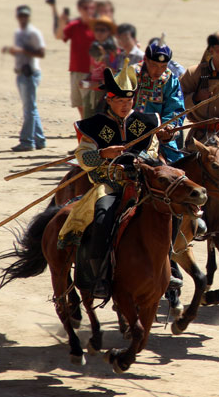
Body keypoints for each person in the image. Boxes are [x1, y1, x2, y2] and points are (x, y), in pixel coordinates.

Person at [57, 64, 170, 297]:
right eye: (119, 101)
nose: (125, 105)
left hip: (141, 183)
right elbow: (82, 156)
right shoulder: (94, 125)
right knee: (101, 217)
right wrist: (102, 154)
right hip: (108, 185)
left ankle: (172, 265)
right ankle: (98, 274)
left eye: (128, 101)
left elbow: (153, 150)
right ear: (109, 100)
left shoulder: (147, 122)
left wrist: (140, 160)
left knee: (170, 211)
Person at [132, 39, 185, 162]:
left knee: (175, 165)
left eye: (163, 66)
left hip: (158, 133)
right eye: (154, 65)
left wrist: (168, 128)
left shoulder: (170, 80)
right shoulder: (131, 74)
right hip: (128, 131)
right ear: (146, 60)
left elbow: (175, 108)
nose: (158, 71)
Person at [3, 5, 46, 152]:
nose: (23, 18)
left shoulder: (33, 33)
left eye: (25, 16)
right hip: (22, 73)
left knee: (29, 109)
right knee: (30, 107)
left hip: (30, 73)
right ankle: (39, 139)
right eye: (21, 16)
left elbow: (41, 53)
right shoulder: (18, 33)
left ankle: (27, 141)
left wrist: (21, 50)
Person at [56, 0, 97, 117]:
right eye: (85, 8)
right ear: (79, 9)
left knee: (90, 102)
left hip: (92, 71)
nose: (89, 11)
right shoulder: (75, 25)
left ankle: (88, 128)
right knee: (78, 102)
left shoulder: (98, 26)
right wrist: (62, 22)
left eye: (91, 8)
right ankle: (85, 126)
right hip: (76, 70)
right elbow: (60, 36)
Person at [86, 16, 120, 118]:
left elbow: (115, 73)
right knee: (87, 118)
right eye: (97, 30)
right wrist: (86, 80)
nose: (99, 33)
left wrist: (106, 58)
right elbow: (92, 69)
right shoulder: (94, 48)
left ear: (109, 32)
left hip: (105, 91)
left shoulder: (114, 52)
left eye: (103, 30)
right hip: (92, 89)